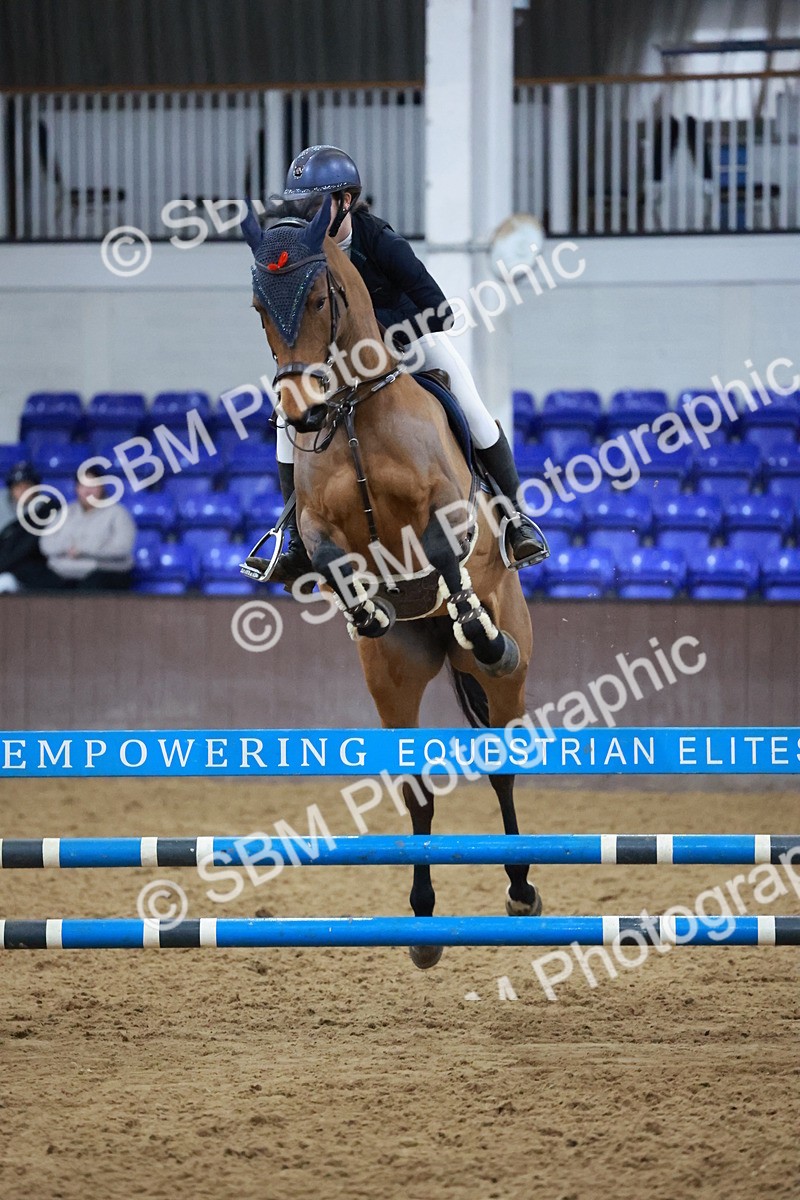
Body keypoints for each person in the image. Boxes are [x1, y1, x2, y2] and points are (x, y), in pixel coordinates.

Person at [266, 144, 547, 584]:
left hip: (409, 341)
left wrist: (380, 333)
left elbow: (440, 311)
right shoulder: (304, 253)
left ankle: (515, 519)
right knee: (287, 420)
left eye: (316, 206)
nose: (307, 217)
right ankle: (296, 540)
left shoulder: (380, 241)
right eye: (301, 206)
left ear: (345, 201)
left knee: (472, 407)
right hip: (335, 359)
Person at [43, 465, 136, 590]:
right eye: (83, 485)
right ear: (77, 488)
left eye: (93, 485)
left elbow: (122, 549)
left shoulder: (118, 513)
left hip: (105, 572)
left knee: (91, 586)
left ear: (102, 487)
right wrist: (67, 547)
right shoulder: (66, 512)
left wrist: (83, 550)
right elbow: (46, 544)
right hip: (64, 572)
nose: (87, 491)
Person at [0, 462, 60, 592]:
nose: (23, 490)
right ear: (11, 489)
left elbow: (27, 549)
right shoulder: (3, 510)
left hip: (29, 571)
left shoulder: (45, 511)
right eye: (18, 486)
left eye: (27, 486)